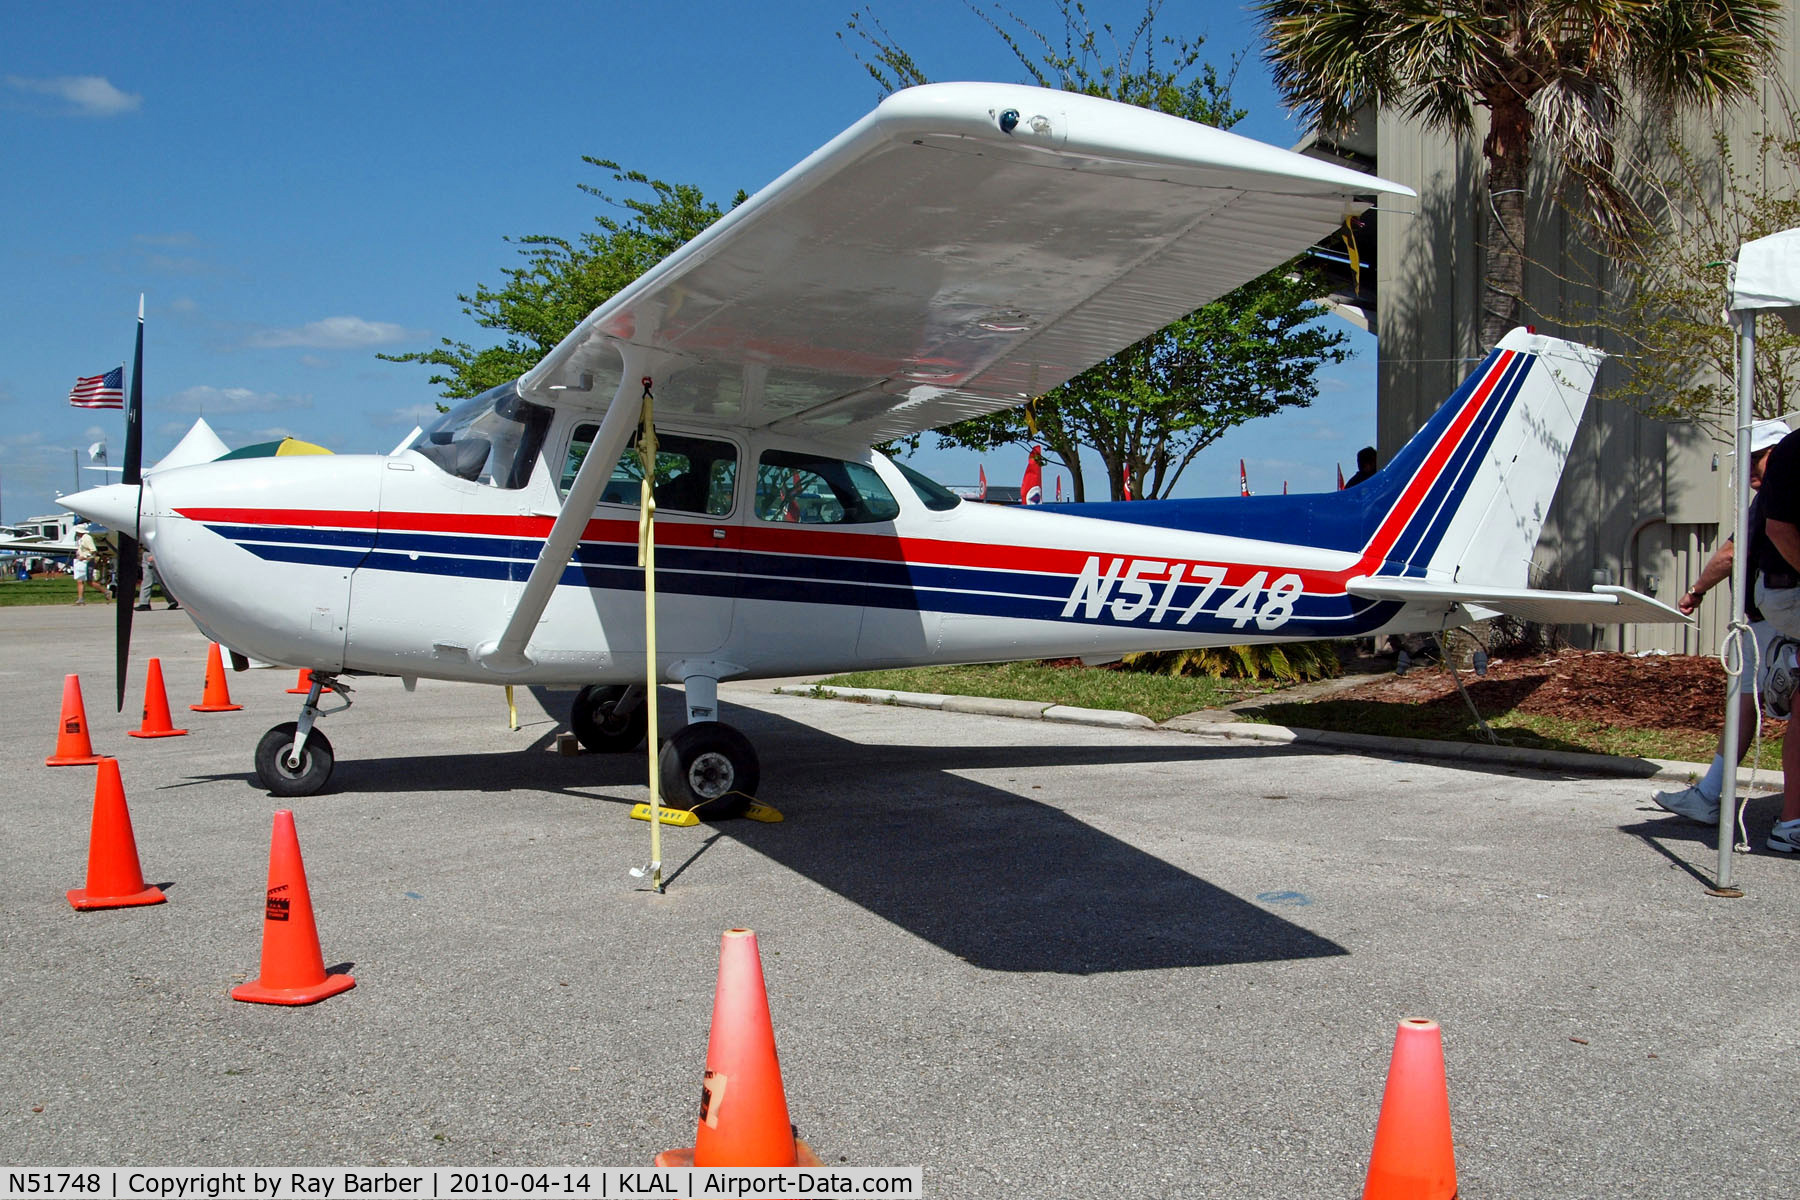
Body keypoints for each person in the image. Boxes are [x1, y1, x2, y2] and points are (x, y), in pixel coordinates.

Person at [1654, 418, 1789, 823]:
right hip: (1771, 619)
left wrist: (1695, 592)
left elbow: (1731, 553)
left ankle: (1711, 795)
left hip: (1767, 622)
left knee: (1745, 701)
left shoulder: (1772, 499)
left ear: (1776, 455)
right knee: (1749, 702)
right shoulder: (1779, 495)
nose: (1748, 472)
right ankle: (1711, 792)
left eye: (1755, 460)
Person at [1745, 420, 1800, 853]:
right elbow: (1777, 530)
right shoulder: (1793, 454)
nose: (1751, 473)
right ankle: (1791, 822)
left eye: (1754, 460)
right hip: (1786, 592)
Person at [72, 524, 97, 605]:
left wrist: (85, 556)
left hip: (87, 561)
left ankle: (106, 592)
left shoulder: (87, 538)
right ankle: (80, 599)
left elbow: (93, 550)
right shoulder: (81, 539)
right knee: (80, 580)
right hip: (81, 562)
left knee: (89, 581)